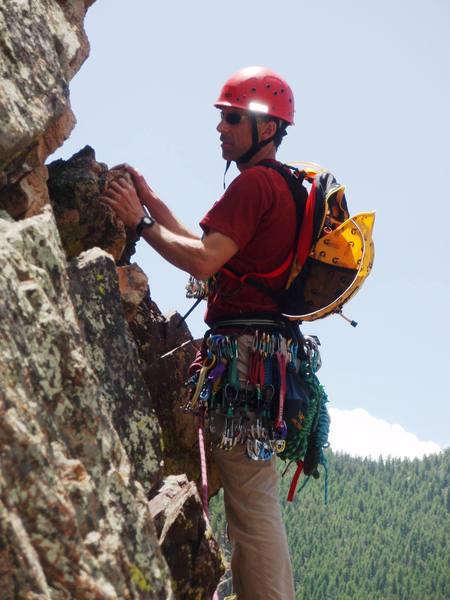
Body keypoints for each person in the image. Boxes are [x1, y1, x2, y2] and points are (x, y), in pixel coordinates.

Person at [101, 66, 299, 600]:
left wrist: (139, 224)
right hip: (266, 361)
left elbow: (205, 261)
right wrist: (151, 201)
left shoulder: (254, 184)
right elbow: (208, 245)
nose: (221, 128)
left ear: (266, 128)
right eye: (221, 118)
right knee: (254, 498)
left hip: (243, 362)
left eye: (233, 119)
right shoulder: (281, 186)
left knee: (253, 507)